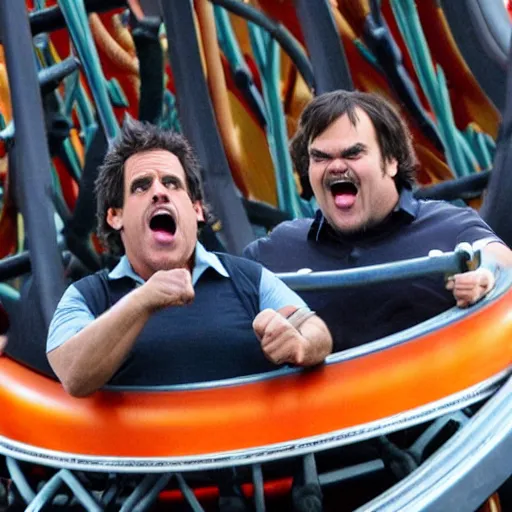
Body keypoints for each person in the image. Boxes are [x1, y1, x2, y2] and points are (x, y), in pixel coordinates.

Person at [46, 119, 332, 397]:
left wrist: (300, 345)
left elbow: (316, 330)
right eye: (141, 186)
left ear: (197, 210)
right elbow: (72, 374)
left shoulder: (249, 279)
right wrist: (144, 300)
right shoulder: (86, 296)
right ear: (115, 216)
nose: (159, 192)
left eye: (172, 184)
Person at [244, 90, 512, 352]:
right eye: (321, 157)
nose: (336, 166)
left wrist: (489, 279)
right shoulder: (276, 249)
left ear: (392, 161)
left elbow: (502, 263)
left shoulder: (451, 226)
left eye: (352, 154)